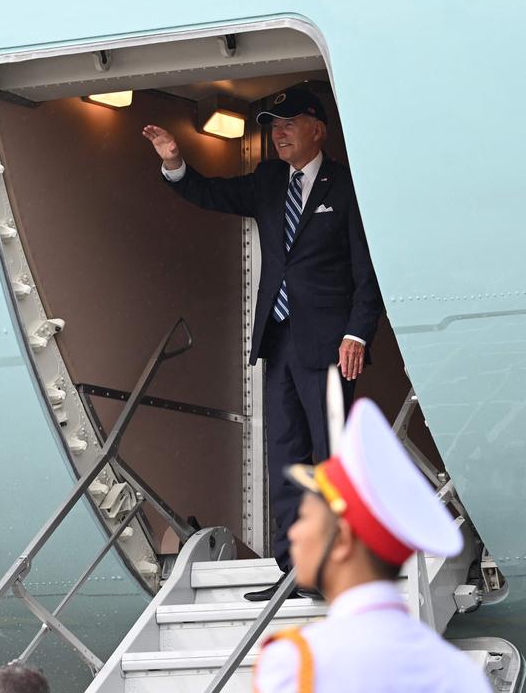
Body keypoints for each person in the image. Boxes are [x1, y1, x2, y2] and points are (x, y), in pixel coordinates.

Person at [142, 88, 384, 599]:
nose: (278, 131)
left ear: (317, 128)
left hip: (332, 344)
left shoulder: (350, 184)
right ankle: (295, 572)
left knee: (333, 457)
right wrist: (175, 164)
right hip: (280, 341)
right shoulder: (270, 181)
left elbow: (369, 270)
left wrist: (358, 330)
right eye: (273, 124)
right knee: (287, 456)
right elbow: (213, 195)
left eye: (289, 122)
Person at [252, 396, 489, 692]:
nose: (294, 534)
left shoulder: (297, 661)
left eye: (306, 518)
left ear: (341, 539)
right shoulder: (460, 673)